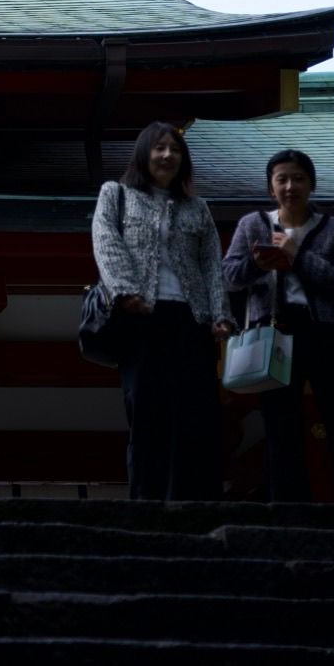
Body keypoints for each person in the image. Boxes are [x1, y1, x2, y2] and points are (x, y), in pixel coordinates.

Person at [92, 121, 234, 501]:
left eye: (175, 149)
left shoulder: (198, 207)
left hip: (192, 321)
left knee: (195, 413)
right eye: (159, 148)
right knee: (147, 413)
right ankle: (148, 503)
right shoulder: (116, 194)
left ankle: (196, 502)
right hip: (141, 318)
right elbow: (106, 241)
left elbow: (210, 264)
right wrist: (125, 291)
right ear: (143, 153)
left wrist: (221, 313)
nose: (168, 155)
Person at [222, 149, 334, 501]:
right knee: (280, 426)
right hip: (273, 332)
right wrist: (259, 265)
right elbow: (229, 276)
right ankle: (289, 513)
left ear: (313, 184)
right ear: (270, 186)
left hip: (327, 334)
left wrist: (297, 255)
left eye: (299, 178)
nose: (291, 186)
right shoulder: (253, 224)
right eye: (282, 179)